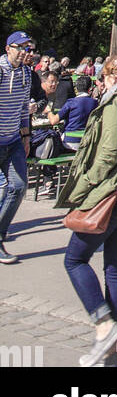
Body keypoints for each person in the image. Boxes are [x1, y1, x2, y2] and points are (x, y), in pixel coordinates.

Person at [55, 53, 117, 367]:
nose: (100, 83)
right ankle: (109, 352)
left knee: (74, 259)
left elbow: (108, 154)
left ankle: (104, 325)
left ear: (111, 76)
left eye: (103, 78)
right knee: (115, 268)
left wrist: (81, 189)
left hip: (112, 196)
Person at [0, 32, 34, 264]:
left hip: (13, 141)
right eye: (20, 47)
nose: (24, 51)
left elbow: (24, 107)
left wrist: (26, 135)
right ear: (7, 48)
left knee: (19, 187)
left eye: (28, 48)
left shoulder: (26, 73)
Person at [53, 76, 99, 149]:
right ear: (90, 88)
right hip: (88, 140)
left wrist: (48, 111)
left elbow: (54, 121)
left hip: (70, 141)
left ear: (76, 89)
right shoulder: (95, 103)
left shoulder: (71, 102)